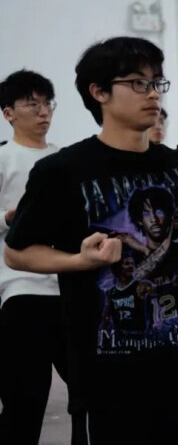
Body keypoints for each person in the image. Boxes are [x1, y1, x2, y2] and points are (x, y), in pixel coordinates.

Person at [3, 37, 178, 445]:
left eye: (156, 82)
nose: (152, 93)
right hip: (109, 373)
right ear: (99, 92)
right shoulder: (62, 170)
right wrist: (80, 262)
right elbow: (16, 253)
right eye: (137, 82)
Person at [0, 69, 86, 444]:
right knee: (26, 399)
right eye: (31, 104)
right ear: (8, 113)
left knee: (89, 391)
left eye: (47, 103)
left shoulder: (64, 160)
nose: (43, 111)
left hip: (69, 286)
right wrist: (8, 218)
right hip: (21, 289)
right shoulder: (4, 159)